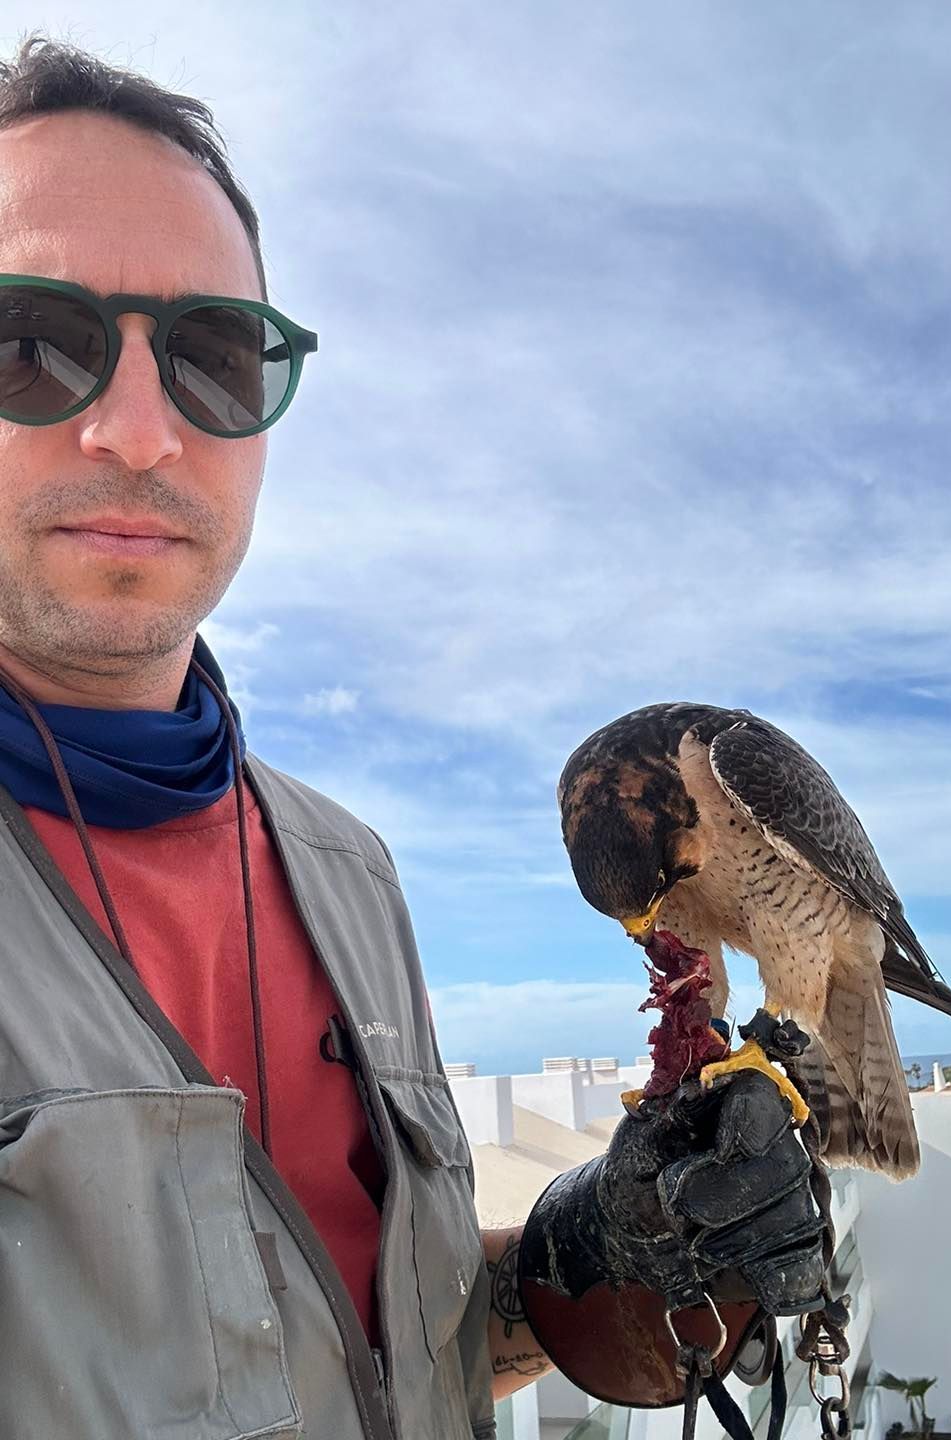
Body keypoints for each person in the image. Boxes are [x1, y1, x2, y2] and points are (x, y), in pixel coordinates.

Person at [0, 34, 829, 1440]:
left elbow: (394, 1339)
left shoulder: (347, 869)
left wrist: (608, 1254)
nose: (137, 431)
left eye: (212, 357)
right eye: (32, 344)